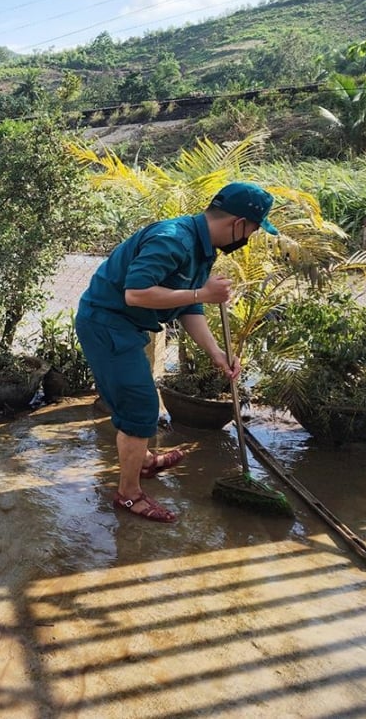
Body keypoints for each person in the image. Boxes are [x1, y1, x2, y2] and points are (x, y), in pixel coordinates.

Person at [75, 181, 278, 523]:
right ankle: (128, 495)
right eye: (255, 230)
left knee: (138, 403)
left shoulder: (202, 246)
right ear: (239, 223)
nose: (250, 238)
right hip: (107, 323)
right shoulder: (174, 239)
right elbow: (136, 294)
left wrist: (215, 352)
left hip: (125, 325)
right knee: (140, 406)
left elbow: (189, 308)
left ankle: (144, 460)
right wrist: (201, 293)